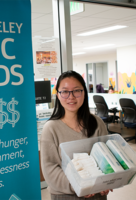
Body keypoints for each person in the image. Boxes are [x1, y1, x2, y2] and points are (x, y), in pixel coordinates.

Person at [40, 71, 112, 200]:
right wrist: (78, 185)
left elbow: (107, 158)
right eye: (65, 91)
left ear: (84, 93)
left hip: (97, 194)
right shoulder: (51, 128)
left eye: (76, 91)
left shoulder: (97, 123)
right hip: (66, 194)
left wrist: (106, 181)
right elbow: (50, 168)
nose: (71, 96)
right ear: (58, 95)